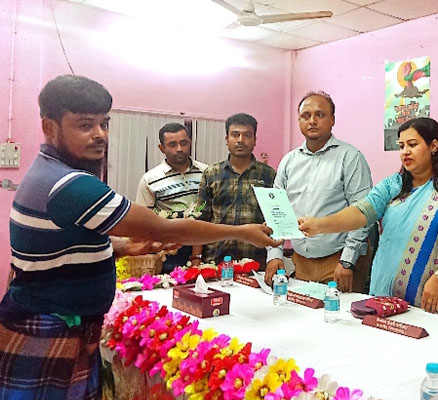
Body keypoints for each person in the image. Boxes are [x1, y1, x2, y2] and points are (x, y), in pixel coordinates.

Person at [0, 75, 282, 399]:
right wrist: (243, 232)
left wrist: (123, 247)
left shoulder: (48, 171)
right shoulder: (70, 185)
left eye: (104, 124)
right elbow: (164, 228)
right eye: (85, 125)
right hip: (51, 325)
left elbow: (65, 242)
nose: (100, 134)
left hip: (58, 319)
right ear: (50, 127)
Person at [299, 117, 438, 321]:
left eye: (412, 144)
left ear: (434, 146)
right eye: (401, 146)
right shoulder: (394, 185)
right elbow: (361, 212)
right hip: (385, 301)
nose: (405, 151)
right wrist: (320, 225)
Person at [264, 91, 374, 293]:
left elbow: (363, 213)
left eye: (320, 115)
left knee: (340, 312)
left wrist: (347, 261)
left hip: (339, 262)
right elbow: (276, 211)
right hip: (300, 261)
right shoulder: (289, 161)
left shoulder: (350, 157)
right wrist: (274, 255)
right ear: (299, 120)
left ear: (332, 120)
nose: (312, 121)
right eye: (306, 116)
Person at [191, 113, 276, 267]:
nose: (240, 140)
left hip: (256, 260)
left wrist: (274, 257)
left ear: (255, 140)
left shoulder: (268, 175)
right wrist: (196, 258)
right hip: (215, 259)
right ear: (227, 139)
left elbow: (274, 220)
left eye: (247, 135)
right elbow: (201, 217)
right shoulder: (211, 173)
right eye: (235, 135)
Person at [135, 122, 208, 271]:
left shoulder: (206, 172)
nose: (179, 149)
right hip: (169, 251)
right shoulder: (150, 179)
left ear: (190, 143)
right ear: (161, 148)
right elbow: (144, 220)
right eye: (172, 145)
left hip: (205, 247)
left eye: (183, 143)